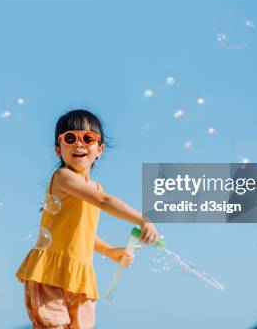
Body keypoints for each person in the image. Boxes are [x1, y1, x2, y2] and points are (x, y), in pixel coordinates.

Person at [15, 109, 159, 329]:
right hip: (50, 273)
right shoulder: (63, 178)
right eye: (70, 138)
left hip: (79, 277)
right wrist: (142, 218)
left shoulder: (95, 187)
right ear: (58, 149)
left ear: (99, 149)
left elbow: (83, 234)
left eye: (88, 138)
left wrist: (110, 251)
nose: (78, 144)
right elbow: (104, 200)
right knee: (53, 325)